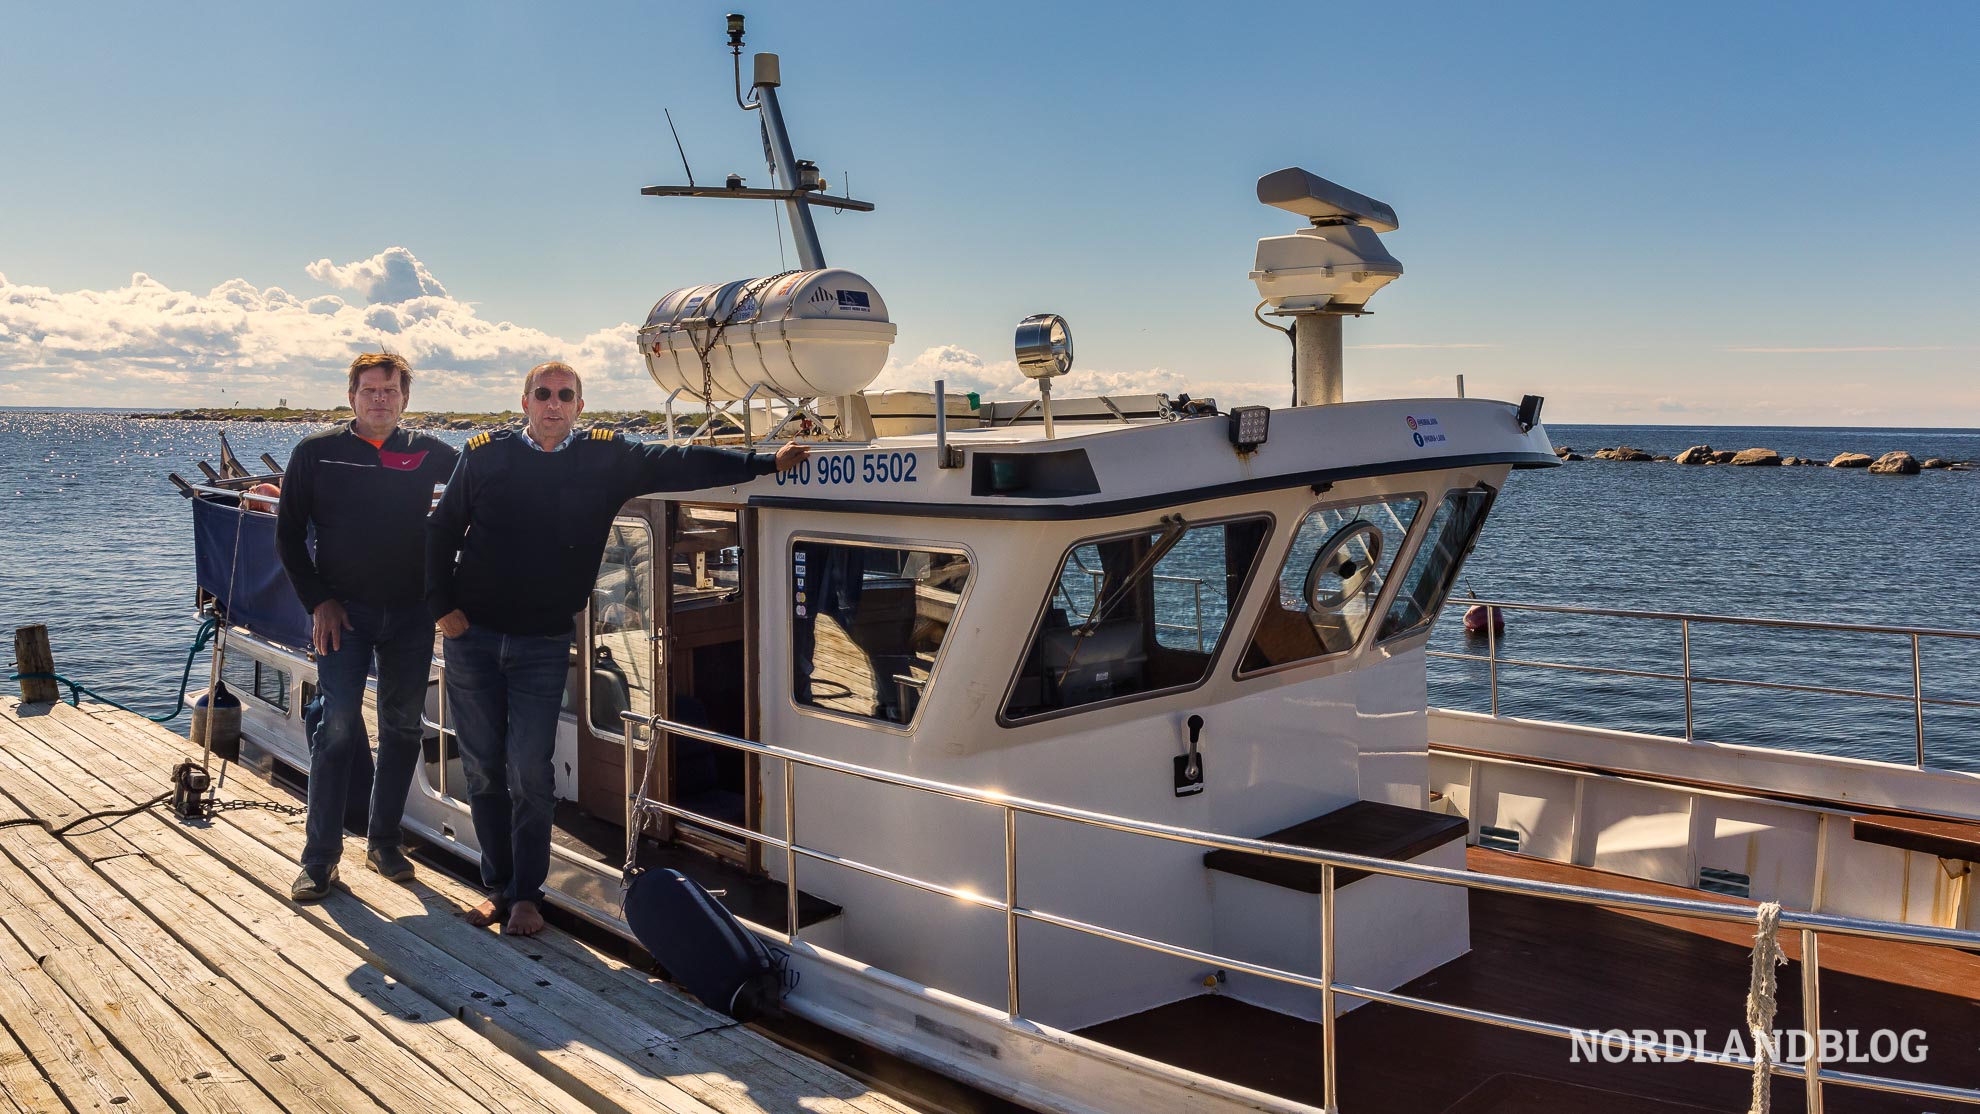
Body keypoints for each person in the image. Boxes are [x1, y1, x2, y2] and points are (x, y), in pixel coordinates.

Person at [427, 361, 807, 935]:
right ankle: (498, 887)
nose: (553, 404)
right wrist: (442, 610)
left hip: (543, 643)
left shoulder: (605, 457)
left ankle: (526, 895)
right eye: (543, 394)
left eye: (565, 395)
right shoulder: (484, 455)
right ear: (524, 400)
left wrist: (764, 460)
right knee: (482, 769)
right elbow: (438, 534)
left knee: (530, 772)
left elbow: (683, 461)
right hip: (472, 639)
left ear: (580, 405)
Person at [277, 353, 460, 901]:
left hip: (409, 614)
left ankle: (383, 842)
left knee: (403, 728)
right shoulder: (315, 454)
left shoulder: (428, 452)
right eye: (369, 390)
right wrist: (320, 602)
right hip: (344, 616)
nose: (379, 400)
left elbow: (486, 485)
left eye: (390, 391)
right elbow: (288, 538)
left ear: (405, 398)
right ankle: (319, 859)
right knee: (335, 730)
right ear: (351, 395)